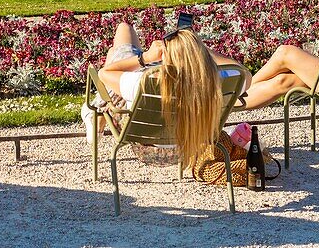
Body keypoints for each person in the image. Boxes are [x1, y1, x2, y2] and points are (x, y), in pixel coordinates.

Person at [91, 21, 247, 170]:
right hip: (189, 146)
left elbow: (104, 74)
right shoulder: (219, 82)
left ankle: (96, 116)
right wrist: (200, 50)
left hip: (145, 148)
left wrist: (146, 58)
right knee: (113, 53)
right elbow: (245, 73)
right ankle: (96, 118)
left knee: (117, 45)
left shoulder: (144, 82)